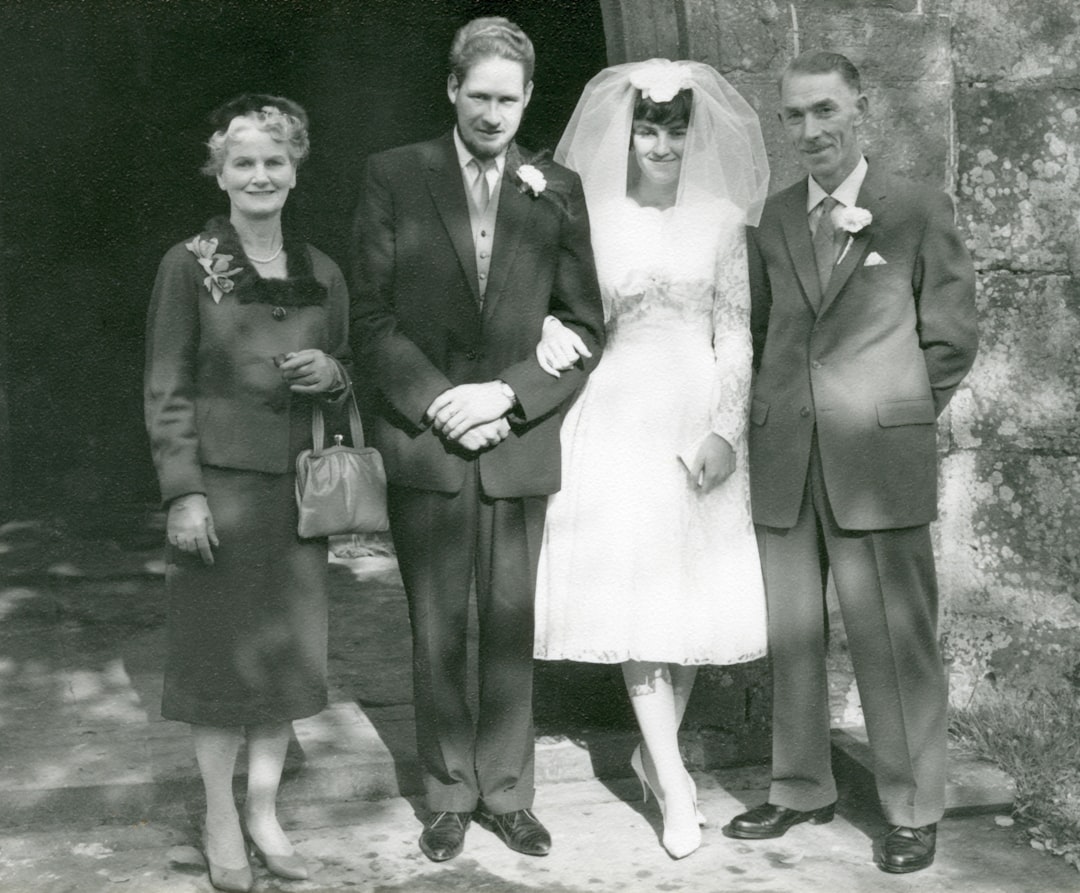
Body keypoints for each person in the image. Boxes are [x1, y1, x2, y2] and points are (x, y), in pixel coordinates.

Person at [349, 17, 605, 863]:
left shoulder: (557, 186)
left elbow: (582, 324)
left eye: (510, 98)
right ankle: (448, 793)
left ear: (530, 97)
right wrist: (441, 401)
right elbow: (373, 318)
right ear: (452, 89)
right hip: (429, 441)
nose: (494, 114)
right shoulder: (395, 176)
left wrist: (509, 395)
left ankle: (508, 793)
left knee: (507, 620)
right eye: (479, 95)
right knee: (436, 624)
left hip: (515, 438)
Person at [724, 52, 978, 874]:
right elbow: (762, 336)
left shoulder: (913, 209)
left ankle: (911, 805)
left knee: (894, 641)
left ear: (860, 110)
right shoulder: (769, 220)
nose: (810, 131)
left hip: (878, 460)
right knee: (792, 634)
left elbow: (950, 339)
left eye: (825, 111)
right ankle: (801, 784)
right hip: (787, 456)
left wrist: (890, 417)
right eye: (794, 116)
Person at [532, 59, 771, 860]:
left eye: (675, 128)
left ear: (692, 135)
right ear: (627, 132)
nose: (660, 143)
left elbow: (735, 332)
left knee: (691, 595)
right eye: (647, 126)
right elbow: (563, 311)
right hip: (620, 411)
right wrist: (548, 336)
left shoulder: (722, 219)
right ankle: (673, 780)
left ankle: (649, 752)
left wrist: (725, 431)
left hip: (694, 407)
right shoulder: (593, 213)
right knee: (636, 594)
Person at [144, 94, 350, 892]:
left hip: (296, 496)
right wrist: (182, 493)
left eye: (275, 160)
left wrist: (333, 374)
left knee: (283, 662)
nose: (260, 174)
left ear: (295, 170)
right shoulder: (189, 262)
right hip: (220, 496)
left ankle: (264, 811)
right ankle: (219, 816)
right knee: (218, 663)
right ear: (220, 172)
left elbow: (346, 370)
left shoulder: (322, 270)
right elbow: (165, 388)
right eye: (244, 162)